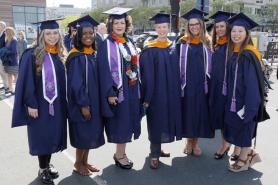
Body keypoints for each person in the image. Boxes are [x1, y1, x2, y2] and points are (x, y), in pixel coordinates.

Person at [12, 18, 67, 184]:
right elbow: (26, 81)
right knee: (42, 136)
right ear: (42, 34)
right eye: (48, 33)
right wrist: (31, 104)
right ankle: (42, 168)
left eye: (55, 33)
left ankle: (47, 164)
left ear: (59, 34)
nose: (52, 36)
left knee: (52, 135)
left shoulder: (59, 54)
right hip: (39, 105)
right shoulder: (32, 54)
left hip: (56, 104)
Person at [97, 7, 141, 169]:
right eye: (116, 23)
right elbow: (103, 71)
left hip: (131, 88)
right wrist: (109, 92)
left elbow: (135, 64)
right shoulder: (105, 44)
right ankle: (120, 155)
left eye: (122, 22)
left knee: (128, 121)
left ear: (126, 24)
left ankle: (120, 153)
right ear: (111, 25)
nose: (119, 25)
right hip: (118, 91)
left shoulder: (129, 42)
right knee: (121, 123)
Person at [140, 13, 182, 169]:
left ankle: (160, 148)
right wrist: (147, 97)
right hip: (156, 94)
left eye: (164, 27)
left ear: (169, 28)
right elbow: (147, 76)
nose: (162, 29)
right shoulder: (150, 49)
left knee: (167, 120)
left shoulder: (173, 47)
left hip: (171, 93)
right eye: (159, 27)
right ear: (155, 28)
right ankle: (154, 153)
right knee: (156, 122)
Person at [224, 13, 265, 172]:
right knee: (239, 129)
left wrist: (251, 106)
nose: (236, 34)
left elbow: (252, 84)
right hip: (236, 99)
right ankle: (248, 154)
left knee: (245, 129)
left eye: (240, 31)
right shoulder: (235, 51)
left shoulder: (248, 54)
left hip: (246, 100)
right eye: (234, 31)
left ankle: (244, 160)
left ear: (247, 33)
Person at [66, 15, 105, 176]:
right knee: (82, 134)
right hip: (82, 103)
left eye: (91, 33)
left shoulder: (93, 54)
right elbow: (76, 84)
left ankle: (85, 161)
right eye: (84, 34)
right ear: (78, 36)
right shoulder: (76, 56)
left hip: (94, 102)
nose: (88, 36)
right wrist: (83, 105)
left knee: (90, 133)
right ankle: (77, 163)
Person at [177, 8, 214, 156]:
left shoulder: (208, 42)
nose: (194, 27)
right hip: (186, 85)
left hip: (202, 85)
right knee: (187, 113)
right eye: (191, 25)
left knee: (199, 113)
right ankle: (188, 141)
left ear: (201, 25)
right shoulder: (182, 42)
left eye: (196, 24)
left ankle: (195, 142)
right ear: (188, 26)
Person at [209, 11, 241, 161]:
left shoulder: (233, 44)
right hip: (218, 88)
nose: (220, 29)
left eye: (222, 26)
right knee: (223, 118)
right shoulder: (215, 44)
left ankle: (236, 147)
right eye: (217, 27)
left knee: (233, 117)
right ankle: (226, 144)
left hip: (231, 88)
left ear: (227, 27)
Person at [3, 27, 18, 95]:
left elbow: (14, 51)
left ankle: (18, 89)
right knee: (9, 75)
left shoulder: (14, 40)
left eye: (5, 31)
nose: (4, 33)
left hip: (13, 61)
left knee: (16, 76)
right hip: (7, 61)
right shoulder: (7, 40)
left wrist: (5, 52)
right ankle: (11, 89)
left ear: (9, 32)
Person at [0, 21, 8, 93]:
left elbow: (7, 46)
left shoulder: (6, 35)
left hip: (3, 57)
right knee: (1, 72)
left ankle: (7, 87)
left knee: (4, 72)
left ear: (4, 27)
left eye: (0, 25)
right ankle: (5, 85)